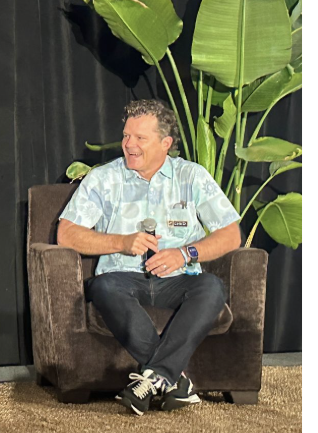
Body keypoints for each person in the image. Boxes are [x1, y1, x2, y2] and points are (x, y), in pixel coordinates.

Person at [57, 99, 239, 416]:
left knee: (211, 288)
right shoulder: (104, 179)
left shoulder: (192, 176)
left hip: (179, 279)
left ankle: (154, 378)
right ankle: (173, 381)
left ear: (165, 143)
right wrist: (121, 242)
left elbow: (230, 234)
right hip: (121, 279)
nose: (129, 144)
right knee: (103, 288)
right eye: (127, 135)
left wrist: (186, 254)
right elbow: (67, 233)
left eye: (140, 138)